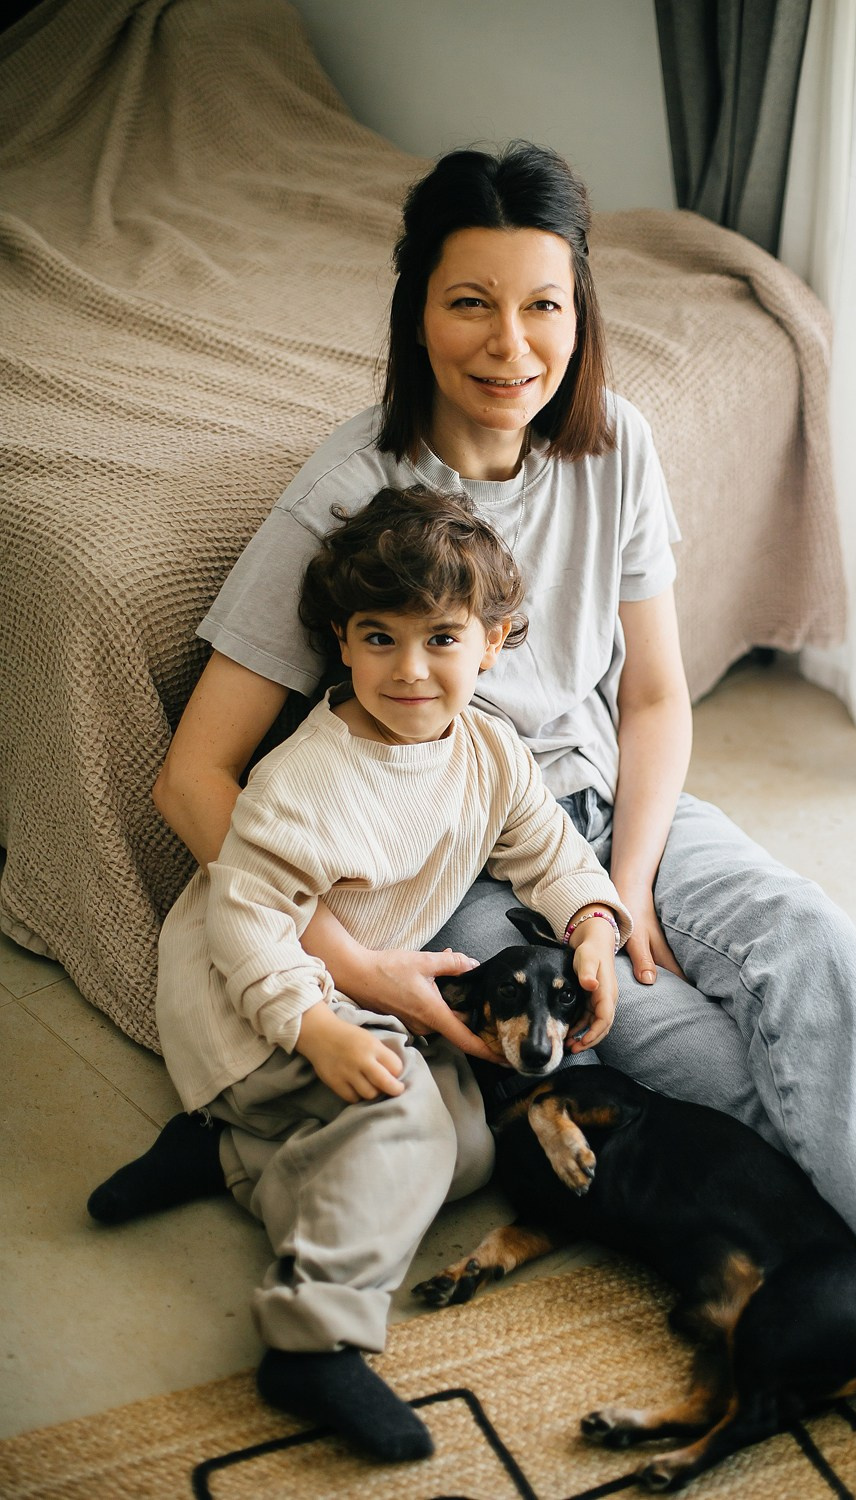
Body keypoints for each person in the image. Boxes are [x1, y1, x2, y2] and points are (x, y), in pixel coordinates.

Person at [89, 142, 856, 1480]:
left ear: (581, 312)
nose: (512, 345)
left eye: (545, 305)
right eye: (471, 303)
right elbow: (193, 779)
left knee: (824, 960)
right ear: (416, 311)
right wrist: (353, 962)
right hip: (459, 840)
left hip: (608, 807)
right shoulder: (351, 489)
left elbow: (655, 705)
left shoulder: (616, 441)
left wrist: (623, 885)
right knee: (700, 1064)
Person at [148, 484, 631, 1463]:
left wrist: (589, 921)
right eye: (380, 639)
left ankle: (234, 1152)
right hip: (248, 994)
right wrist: (313, 1026)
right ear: (341, 641)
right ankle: (313, 1339)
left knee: (469, 1150)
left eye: (442, 640)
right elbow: (243, 927)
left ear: (492, 644)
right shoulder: (305, 782)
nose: (411, 671)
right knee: (406, 1119)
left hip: (333, 995)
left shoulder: (490, 750)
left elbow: (546, 850)